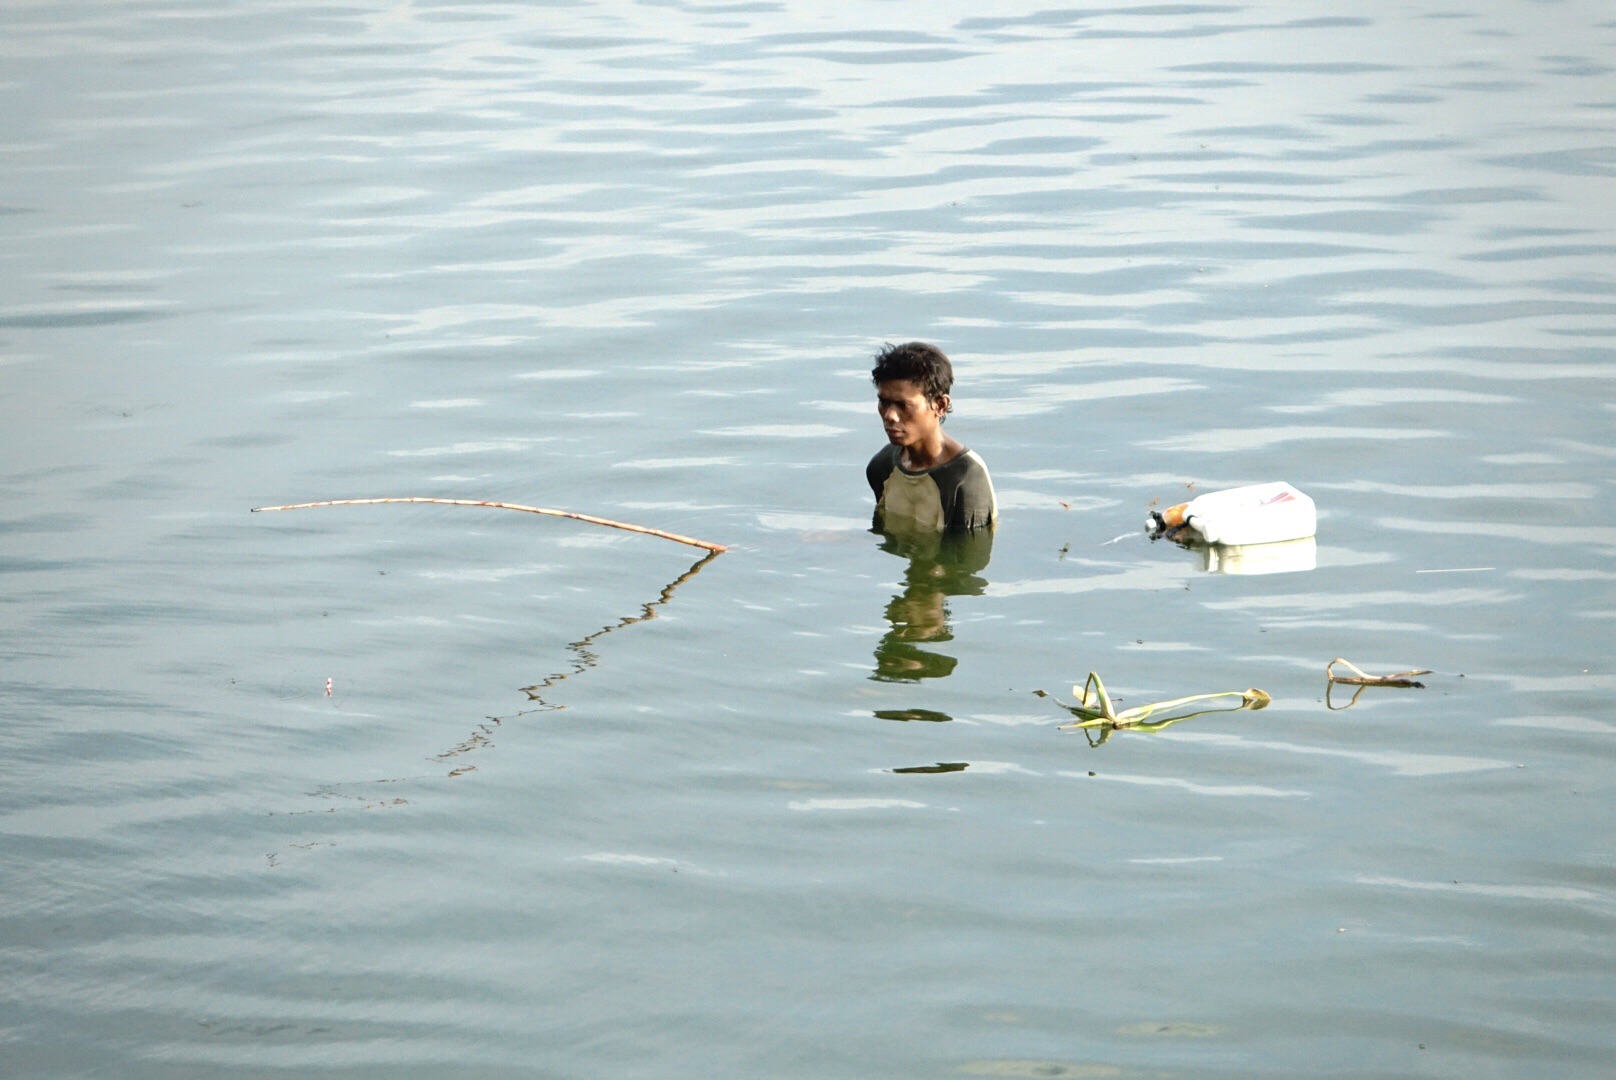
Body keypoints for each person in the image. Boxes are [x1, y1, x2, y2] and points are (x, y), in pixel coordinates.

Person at [865, 342, 998, 533]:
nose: (889, 416)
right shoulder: (882, 467)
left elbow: (969, 558)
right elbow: (885, 535)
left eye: (903, 405)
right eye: (884, 402)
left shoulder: (965, 480)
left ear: (940, 405)